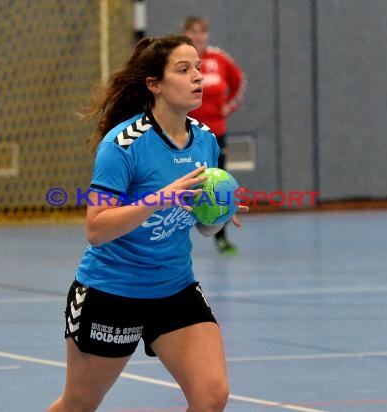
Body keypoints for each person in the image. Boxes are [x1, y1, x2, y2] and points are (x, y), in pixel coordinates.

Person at [47, 35, 248, 412]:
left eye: (199, 69)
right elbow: (97, 227)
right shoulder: (122, 144)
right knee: (79, 403)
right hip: (112, 292)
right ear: (154, 84)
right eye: (183, 70)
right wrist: (161, 197)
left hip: (174, 289)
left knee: (211, 396)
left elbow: (195, 220)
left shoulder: (204, 140)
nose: (198, 78)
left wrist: (215, 212)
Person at [182, 16, 246, 256]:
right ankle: (175, 235)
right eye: (193, 31)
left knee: (218, 184)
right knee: (186, 183)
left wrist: (228, 107)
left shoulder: (219, 59)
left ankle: (221, 236)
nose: (198, 36)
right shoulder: (181, 61)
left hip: (216, 133)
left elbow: (239, 81)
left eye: (202, 32)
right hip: (187, 134)